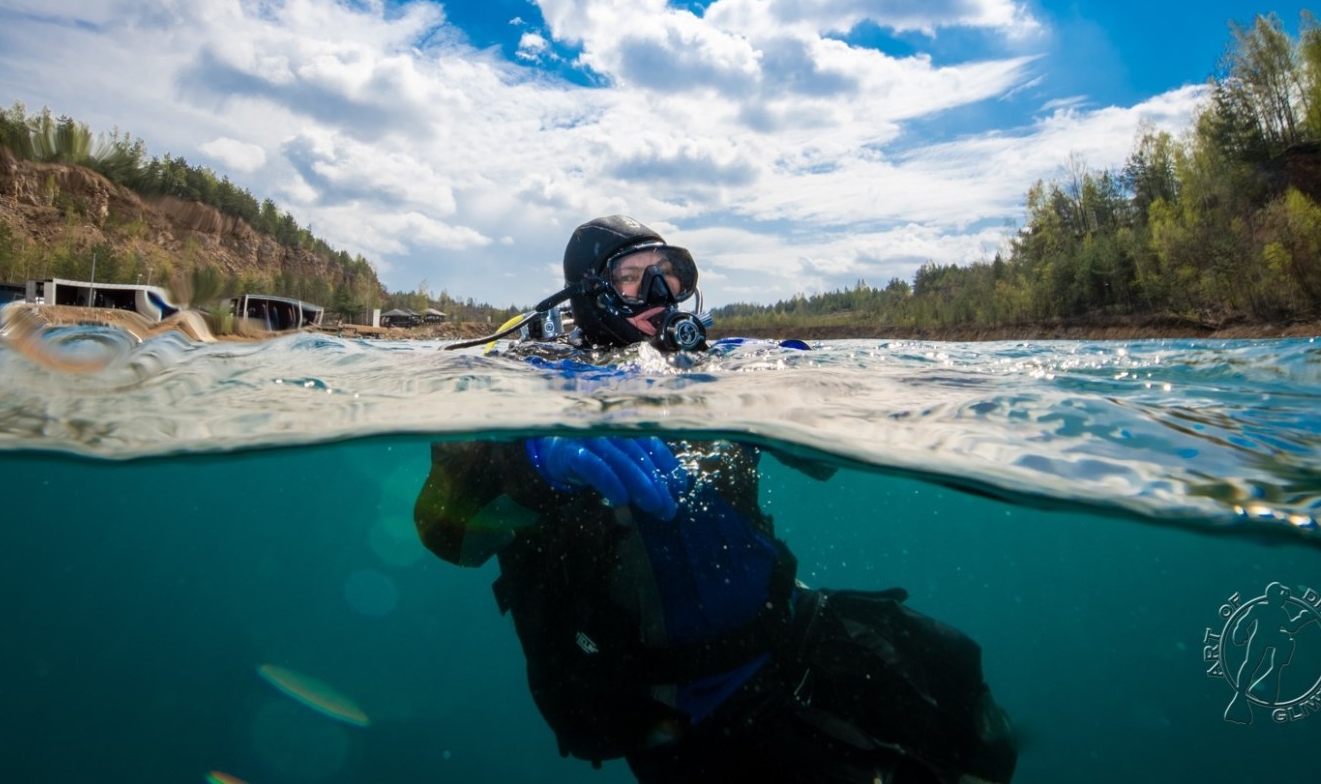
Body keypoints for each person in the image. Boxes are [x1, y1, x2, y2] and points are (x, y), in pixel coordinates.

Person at [414, 216, 1016, 783]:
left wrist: (816, 394)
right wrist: (531, 462)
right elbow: (444, 534)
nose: (657, 290)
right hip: (679, 709)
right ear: (588, 292)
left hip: (787, 629)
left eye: (667, 273)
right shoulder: (527, 383)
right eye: (630, 276)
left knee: (955, 675)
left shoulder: (705, 367)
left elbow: (826, 460)